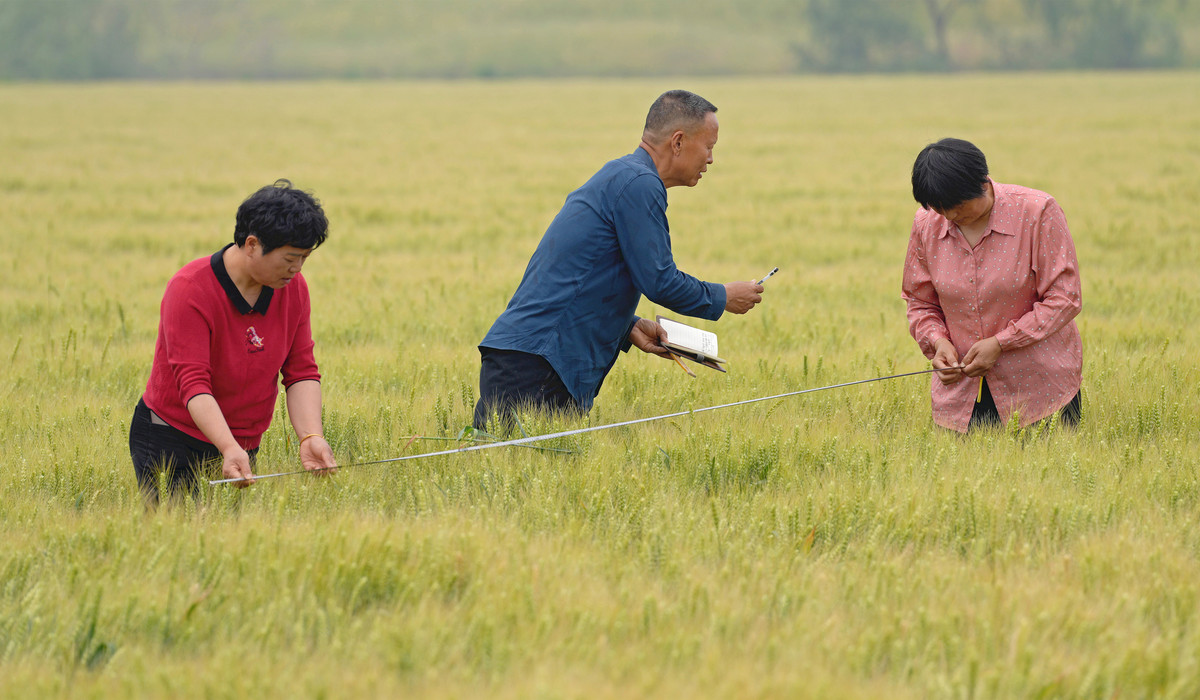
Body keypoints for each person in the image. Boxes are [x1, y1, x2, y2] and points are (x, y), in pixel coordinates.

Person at [473, 89, 764, 431]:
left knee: (513, 474)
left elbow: (581, 274)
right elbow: (659, 281)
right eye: (710, 146)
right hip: (540, 362)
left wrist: (627, 327)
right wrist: (723, 297)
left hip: (527, 358)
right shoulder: (640, 185)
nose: (712, 159)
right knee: (522, 475)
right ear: (679, 142)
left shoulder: (621, 176)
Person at [129, 179, 337, 504]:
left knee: (225, 543)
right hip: (172, 438)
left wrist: (310, 436)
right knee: (178, 541)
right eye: (289, 258)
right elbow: (193, 383)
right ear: (252, 244)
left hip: (241, 444)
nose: (297, 269)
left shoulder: (293, 289)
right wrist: (227, 447)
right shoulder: (190, 289)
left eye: (304, 259)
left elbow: (301, 372)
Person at [902, 138, 1083, 433]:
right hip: (961, 397)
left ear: (984, 184)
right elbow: (920, 302)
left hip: (1040, 392)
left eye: (957, 206)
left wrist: (1002, 343)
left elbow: (1065, 298)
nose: (948, 217)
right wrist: (938, 342)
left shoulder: (1037, 214)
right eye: (939, 208)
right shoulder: (926, 223)